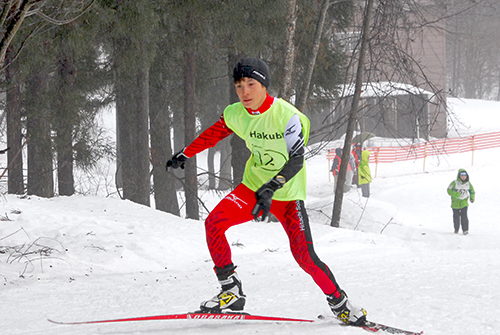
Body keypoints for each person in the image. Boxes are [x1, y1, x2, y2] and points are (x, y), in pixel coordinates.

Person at [166, 57, 367, 325]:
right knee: (214, 223)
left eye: (251, 84)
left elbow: (296, 159)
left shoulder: (288, 116)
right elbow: (214, 133)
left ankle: (340, 303)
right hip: (254, 188)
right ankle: (231, 291)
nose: (244, 92)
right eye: (239, 85)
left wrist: (272, 187)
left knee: (305, 257)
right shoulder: (236, 113)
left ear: (264, 86)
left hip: (286, 194)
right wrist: (186, 153)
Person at [447, 169, 475, 235]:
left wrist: (472, 198)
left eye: (464, 176)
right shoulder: (454, 183)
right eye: (462, 176)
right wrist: (456, 194)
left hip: (464, 202)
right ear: (459, 176)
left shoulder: (468, 184)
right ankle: (456, 229)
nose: (463, 177)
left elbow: (472, 191)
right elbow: (449, 190)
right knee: (456, 216)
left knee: (464, 216)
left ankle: (465, 230)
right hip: (455, 203)